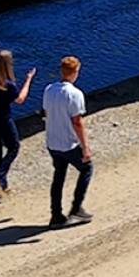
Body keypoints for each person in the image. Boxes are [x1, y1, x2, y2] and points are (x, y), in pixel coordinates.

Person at [43, 54, 93, 228]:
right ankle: (76, 208)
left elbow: (47, 113)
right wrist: (85, 147)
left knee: (59, 176)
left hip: (52, 142)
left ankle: (56, 214)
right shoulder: (75, 94)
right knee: (86, 168)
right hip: (68, 144)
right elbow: (77, 122)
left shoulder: (49, 89)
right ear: (75, 72)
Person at [0, 44, 35, 199]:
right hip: (2, 120)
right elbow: (20, 99)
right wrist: (28, 80)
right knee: (14, 147)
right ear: (8, 65)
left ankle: (1, 187)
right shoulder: (8, 85)